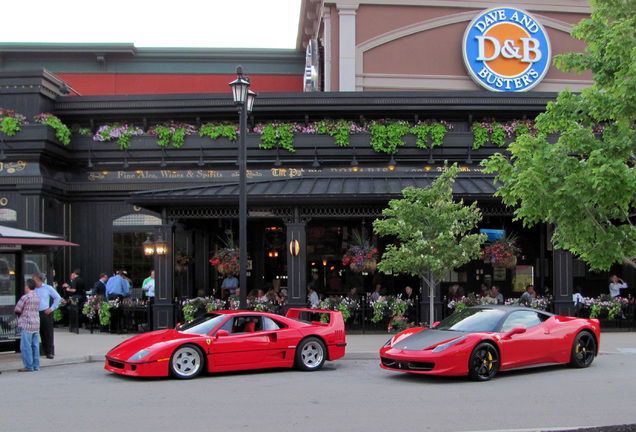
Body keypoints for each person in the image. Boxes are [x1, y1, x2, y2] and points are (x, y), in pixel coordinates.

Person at [32, 272, 61, 359]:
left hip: (45, 312)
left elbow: (57, 297)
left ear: (38, 280)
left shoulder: (47, 288)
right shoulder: (32, 289)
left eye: (34, 280)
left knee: (46, 333)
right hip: (34, 312)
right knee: (34, 332)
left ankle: (48, 352)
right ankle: (34, 351)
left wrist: (52, 308)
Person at [14, 278, 41, 372]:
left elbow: (17, 308)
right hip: (36, 322)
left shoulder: (25, 297)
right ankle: (36, 365)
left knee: (26, 346)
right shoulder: (37, 297)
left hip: (27, 323)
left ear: (27, 286)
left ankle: (28, 366)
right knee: (35, 345)